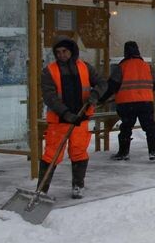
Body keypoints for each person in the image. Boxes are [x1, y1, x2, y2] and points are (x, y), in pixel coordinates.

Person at [40, 36, 106, 199]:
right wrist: (65, 113)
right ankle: (42, 189)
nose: (61, 55)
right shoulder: (49, 71)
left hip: (80, 120)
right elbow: (50, 97)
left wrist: (95, 94)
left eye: (65, 51)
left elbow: (102, 82)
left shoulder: (85, 67)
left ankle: (78, 185)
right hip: (59, 121)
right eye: (58, 52)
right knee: (51, 154)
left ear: (72, 51)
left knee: (79, 153)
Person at [104, 41, 155, 163]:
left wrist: (101, 99)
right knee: (150, 127)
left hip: (126, 103)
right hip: (145, 102)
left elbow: (112, 85)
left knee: (126, 127)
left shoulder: (122, 67)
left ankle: (123, 152)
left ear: (125, 52)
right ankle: (154, 151)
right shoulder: (147, 66)